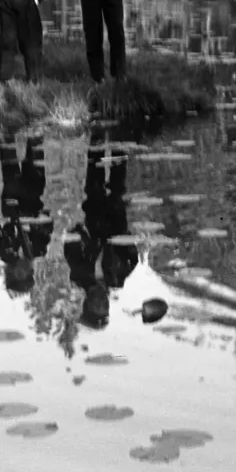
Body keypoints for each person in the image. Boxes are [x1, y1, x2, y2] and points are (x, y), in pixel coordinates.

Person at [63, 130, 139, 327]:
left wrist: (77, 231)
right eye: (105, 306)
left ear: (88, 303)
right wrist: (128, 240)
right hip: (116, 223)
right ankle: (118, 138)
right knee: (117, 185)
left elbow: (69, 248)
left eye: (97, 305)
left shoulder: (80, 276)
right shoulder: (117, 280)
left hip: (95, 219)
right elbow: (133, 259)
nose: (102, 301)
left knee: (94, 181)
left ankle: (96, 134)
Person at [0, 133, 53, 295]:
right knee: (36, 148)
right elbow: (48, 224)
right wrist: (40, 222)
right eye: (27, 274)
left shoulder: (3, 251)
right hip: (34, 196)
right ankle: (35, 124)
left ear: (11, 273)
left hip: (11, 198)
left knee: (8, 150)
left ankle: (7, 124)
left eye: (19, 275)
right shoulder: (39, 250)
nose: (23, 270)